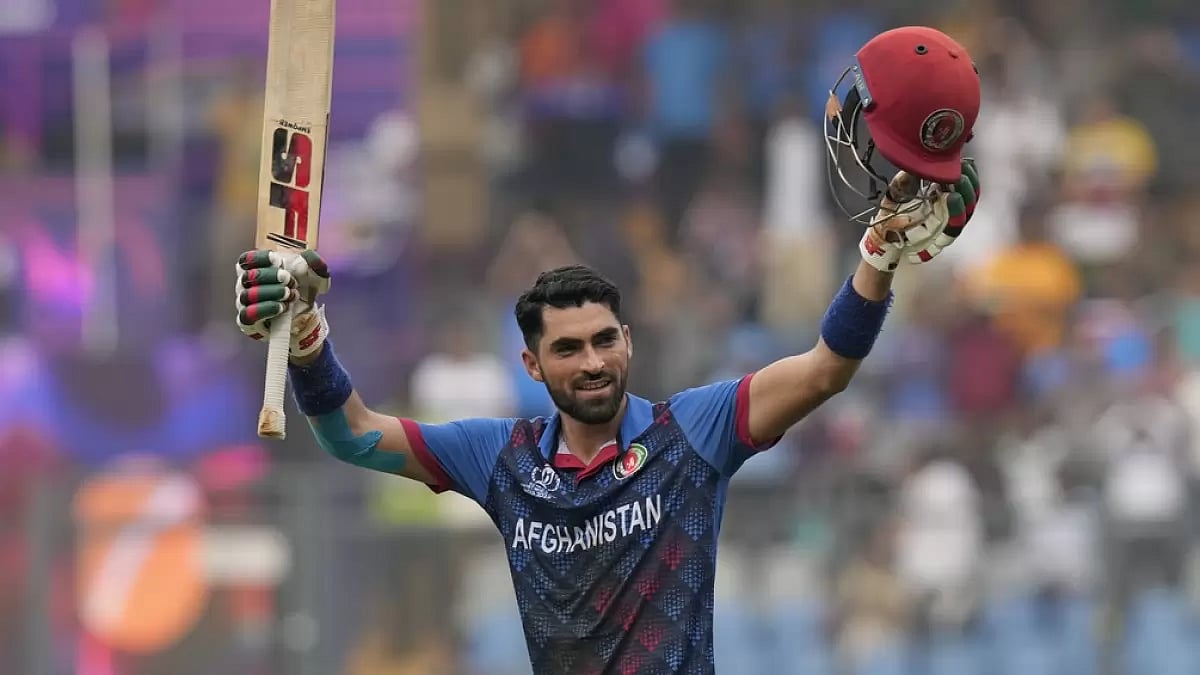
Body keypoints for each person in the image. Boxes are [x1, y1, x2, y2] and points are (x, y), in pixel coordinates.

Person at [232, 25, 982, 675]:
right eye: (567, 349)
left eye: (602, 340)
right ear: (532, 366)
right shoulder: (500, 459)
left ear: (628, 342)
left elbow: (825, 370)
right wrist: (306, 337)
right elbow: (354, 436)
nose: (591, 361)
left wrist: (877, 259)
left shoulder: (694, 432)